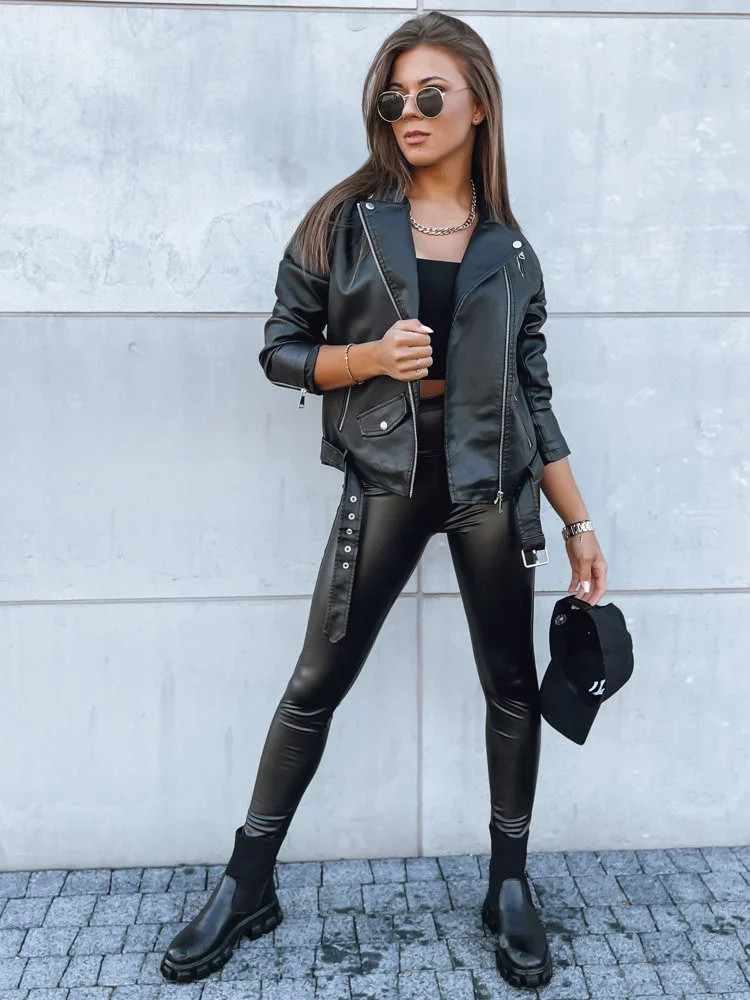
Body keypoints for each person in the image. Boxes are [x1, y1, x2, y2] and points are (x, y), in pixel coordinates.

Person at [161, 10, 607, 991]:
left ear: (478, 107)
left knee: (511, 686)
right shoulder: (345, 222)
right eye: (394, 98)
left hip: (491, 487)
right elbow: (280, 349)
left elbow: (534, 398)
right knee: (315, 682)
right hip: (387, 480)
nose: (410, 112)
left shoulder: (512, 253)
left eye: (431, 95)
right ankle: (246, 882)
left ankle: (509, 884)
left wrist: (579, 522)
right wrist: (366, 357)